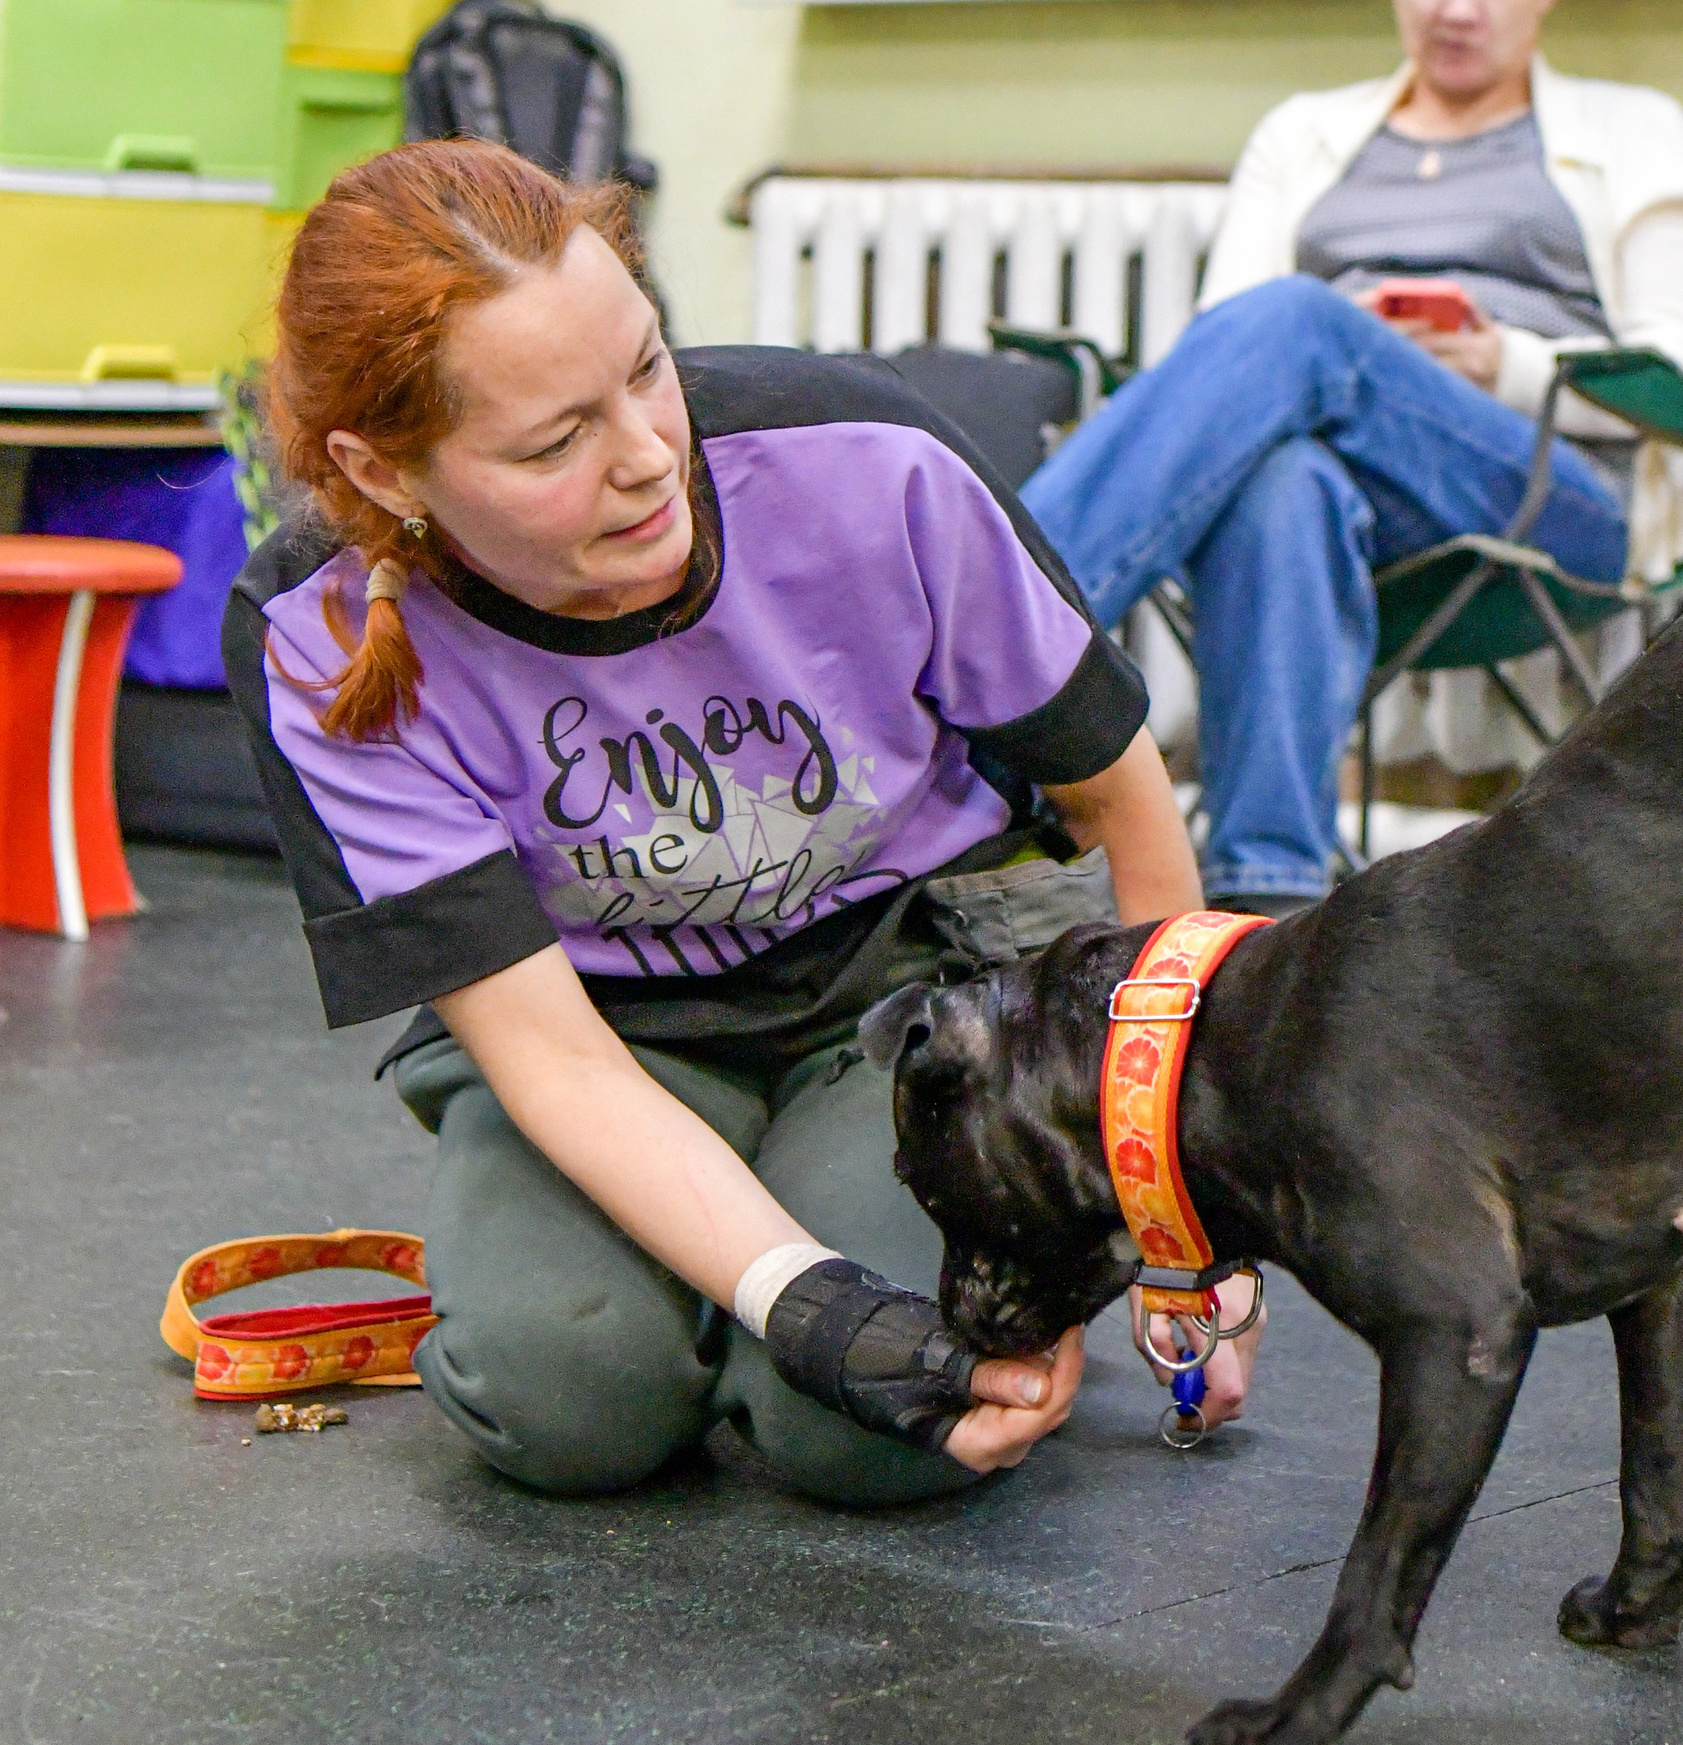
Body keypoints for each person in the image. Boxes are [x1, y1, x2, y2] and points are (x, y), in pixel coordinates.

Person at [223, 138, 1250, 1503]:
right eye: (554, 441)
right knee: (568, 1399)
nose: (650, 458)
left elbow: (1124, 805)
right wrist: (806, 1300)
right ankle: (705, 1276)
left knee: (874, 1435)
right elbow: (556, 1064)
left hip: (914, 984)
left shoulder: (865, 460)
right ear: (392, 474)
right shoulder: (318, 630)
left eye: (646, 367)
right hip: (607, 1032)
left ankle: (796, 1237)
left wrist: (1170, 1209)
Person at [1021, 0, 1683, 912]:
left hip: (1553, 494)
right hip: (1346, 479)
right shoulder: (1303, 134)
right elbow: (1227, 343)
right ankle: (1267, 903)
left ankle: (983, 641)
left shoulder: (1639, 133)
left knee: (1304, 325)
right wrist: (1348, 349)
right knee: (1278, 478)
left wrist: (1501, 360)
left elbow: (1680, 375)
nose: (1459, 4)